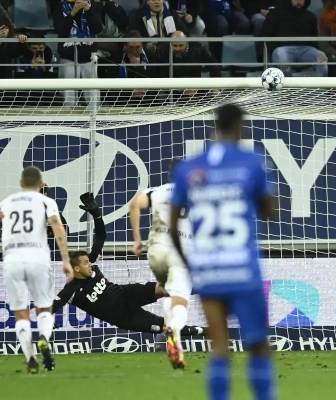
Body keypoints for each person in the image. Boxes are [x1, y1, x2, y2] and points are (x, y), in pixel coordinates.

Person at [170, 104, 277, 400]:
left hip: (208, 270)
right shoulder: (251, 162)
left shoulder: (188, 168)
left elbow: (173, 226)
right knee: (258, 346)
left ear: (214, 126)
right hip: (242, 269)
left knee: (219, 348)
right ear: (241, 126)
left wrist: (191, 266)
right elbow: (270, 212)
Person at [52, 192, 203, 341]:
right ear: (76, 269)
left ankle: (204, 290)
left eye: (88, 261)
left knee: (163, 288)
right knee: (165, 326)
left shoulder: (92, 264)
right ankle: (204, 331)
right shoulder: (70, 290)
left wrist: (97, 215)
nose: (90, 264)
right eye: (85, 263)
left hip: (126, 294)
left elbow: (101, 236)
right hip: (123, 317)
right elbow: (52, 306)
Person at [0, 167, 72, 374]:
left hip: (12, 260)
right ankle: (43, 338)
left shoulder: (7, 202)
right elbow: (58, 226)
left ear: (21, 183)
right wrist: (65, 259)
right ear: (41, 184)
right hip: (38, 259)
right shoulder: (46, 202)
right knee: (44, 308)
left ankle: (30, 359)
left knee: (20, 313)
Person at [130, 159, 194, 369]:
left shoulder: (157, 191)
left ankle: (171, 334)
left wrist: (137, 240)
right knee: (180, 300)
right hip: (181, 250)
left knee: (168, 291)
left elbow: (134, 204)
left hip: (156, 250)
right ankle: (173, 329)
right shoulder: (197, 194)